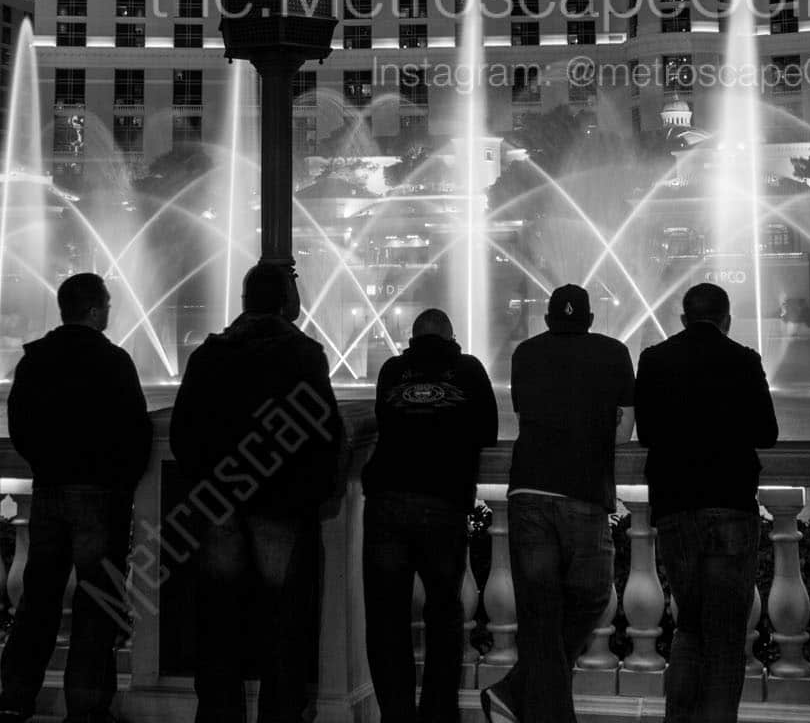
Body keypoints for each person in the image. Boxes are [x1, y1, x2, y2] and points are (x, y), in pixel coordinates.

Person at [170, 264, 344, 723]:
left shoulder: (209, 355)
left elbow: (183, 434)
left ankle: (218, 714)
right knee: (285, 623)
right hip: (282, 504)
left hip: (220, 503)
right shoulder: (303, 355)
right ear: (286, 302)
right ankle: (280, 715)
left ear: (246, 301)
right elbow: (324, 434)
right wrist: (321, 489)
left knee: (217, 618)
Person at [0, 273, 152, 723]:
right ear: (94, 310)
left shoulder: (35, 360)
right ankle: (86, 705)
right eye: (106, 305)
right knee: (96, 602)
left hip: (48, 491)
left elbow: (19, 425)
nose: (109, 312)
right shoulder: (114, 362)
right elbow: (136, 433)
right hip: (100, 496)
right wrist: (119, 483)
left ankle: (15, 697)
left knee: (37, 599)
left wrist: (46, 467)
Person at [480, 285, 635, 723]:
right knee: (591, 598)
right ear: (589, 319)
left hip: (528, 490)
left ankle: (515, 690)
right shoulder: (614, 353)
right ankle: (518, 694)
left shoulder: (525, 354)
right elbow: (623, 433)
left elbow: (523, 412)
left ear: (547, 319)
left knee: (540, 614)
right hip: (585, 492)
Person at [634, 283, 778, 723]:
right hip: (731, 502)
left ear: (683, 319)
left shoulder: (654, 359)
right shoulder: (744, 360)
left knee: (690, 627)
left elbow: (648, 432)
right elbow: (766, 432)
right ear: (727, 319)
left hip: (677, 506)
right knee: (726, 637)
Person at [361, 308, 498, 723]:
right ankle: (439, 713)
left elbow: (385, 419)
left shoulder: (392, 369)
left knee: (387, 618)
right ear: (452, 337)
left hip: (386, 500)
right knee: (444, 614)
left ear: (412, 338)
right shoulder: (469, 369)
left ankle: (396, 715)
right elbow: (488, 430)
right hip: (443, 501)